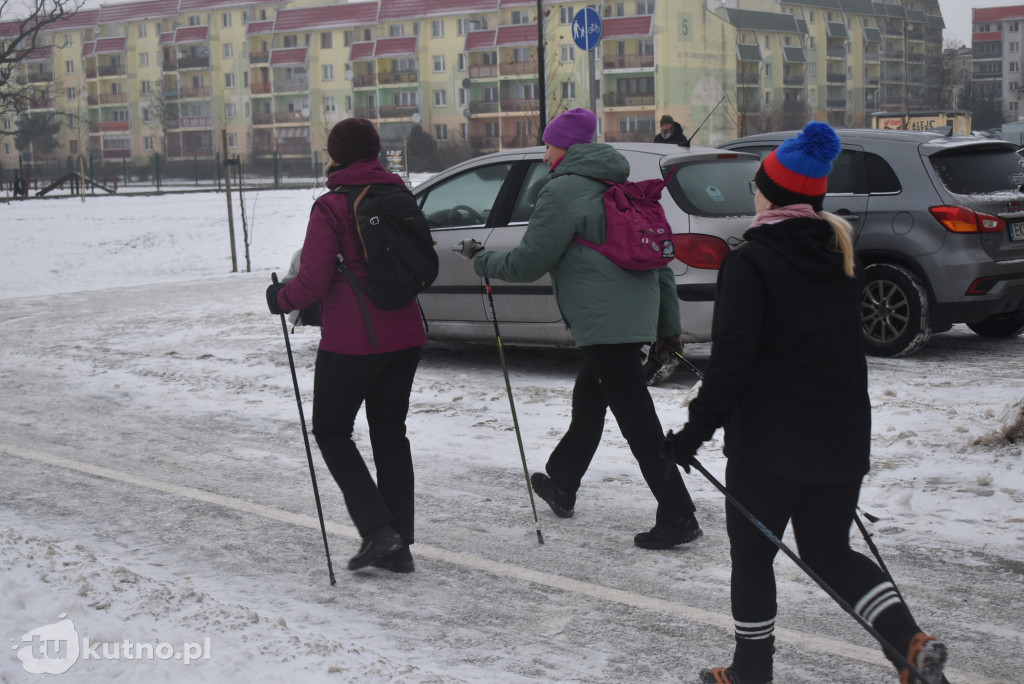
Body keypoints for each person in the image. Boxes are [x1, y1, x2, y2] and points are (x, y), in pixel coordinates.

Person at [663, 122, 947, 684]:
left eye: (758, 184)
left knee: (752, 557)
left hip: (769, 446)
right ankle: (909, 644)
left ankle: (751, 672)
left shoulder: (752, 261)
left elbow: (734, 363)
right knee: (828, 552)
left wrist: (692, 434)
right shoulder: (842, 255)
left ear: (771, 193)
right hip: (841, 436)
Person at [457, 108, 702, 550]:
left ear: (566, 148)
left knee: (637, 421)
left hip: (604, 322)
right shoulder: (620, 187)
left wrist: (481, 260)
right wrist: (667, 328)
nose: (545, 153)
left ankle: (679, 514)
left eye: (549, 145)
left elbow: (530, 261)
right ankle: (562, 483)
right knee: (590, 401)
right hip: (630, 319)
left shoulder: (563, 191)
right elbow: (659, 264)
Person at [265, 118, 425, 574]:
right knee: (390, 435)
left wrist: (281, 298)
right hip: (406, 334)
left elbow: (312, 283)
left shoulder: (331, 206)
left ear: (337, 154)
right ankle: (399, 546)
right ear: (374, 151)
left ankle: (379, 531)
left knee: (332, 431)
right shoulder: (399, 193)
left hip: (353, 343)